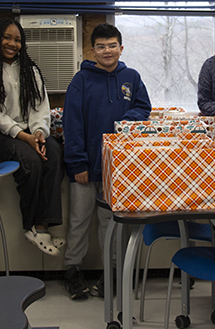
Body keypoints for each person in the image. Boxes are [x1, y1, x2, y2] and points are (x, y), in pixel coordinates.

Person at [62, 23, 151, 299]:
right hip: (85, 168)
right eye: (101, 46)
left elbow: (143, 108)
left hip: (117, 170)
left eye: (112, 45)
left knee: (109, 223)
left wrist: (128, 119)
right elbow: (72, 123)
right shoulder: (81, 80)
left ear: (121, 48)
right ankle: (72, 271)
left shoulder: (132, 77)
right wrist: (78, 164)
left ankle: (111, 273)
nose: (107, 50)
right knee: (79, 220)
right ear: (92, 51)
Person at [0, 18, 65, 256]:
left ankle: (43, 225)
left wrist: (38, 133)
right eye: (7, 37)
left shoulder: (30, 70)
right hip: (1, 135)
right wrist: (23, 136)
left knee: (54, 153)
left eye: (17, 40)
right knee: (30, 160)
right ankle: (29, 225)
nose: (12, 43)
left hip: (29, 131)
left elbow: (39, 107)